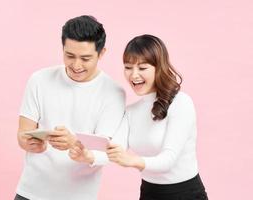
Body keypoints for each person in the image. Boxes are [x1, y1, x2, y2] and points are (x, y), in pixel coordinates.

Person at [15, 15, 125, 200]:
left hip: (78, 195)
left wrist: (73, 142)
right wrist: (30, 143)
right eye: (70, 56)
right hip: (30, 192)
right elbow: (22, 134)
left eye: (86, 58)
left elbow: (107, 150)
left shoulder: (113, 93)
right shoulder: (39, 80)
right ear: (63, 48)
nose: (76, 65)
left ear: (102, 53)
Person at [106, 34, 208, 200]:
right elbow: (114, 148)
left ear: (158, 67)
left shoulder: (181, 102)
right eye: (128, 67)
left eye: (142, 68)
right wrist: (86, 153)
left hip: (185, 194)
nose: (133, 75)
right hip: (149, 193)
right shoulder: (131, 111)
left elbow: (169, 160)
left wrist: (133, 161)